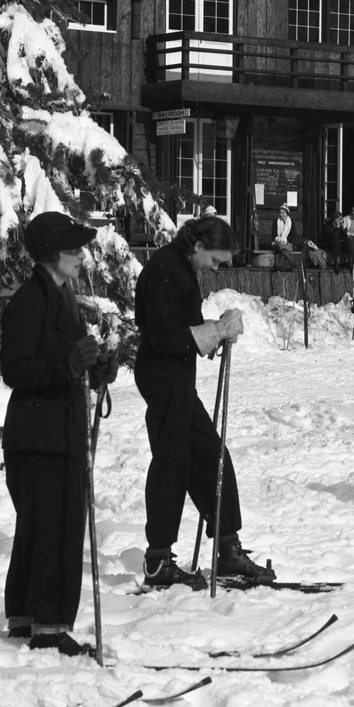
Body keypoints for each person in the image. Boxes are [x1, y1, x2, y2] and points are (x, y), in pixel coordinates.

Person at [133, 215, 274, 587]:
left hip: (177, 377)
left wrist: (215, 333)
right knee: (172, 462)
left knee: (211, 456)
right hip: (162, 377)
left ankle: (227, 548)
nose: (215, 267)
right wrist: (213, 331)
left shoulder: (180, 267)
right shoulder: (163, 269)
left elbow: (182, 329)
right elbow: (163, 336)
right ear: (197, 245)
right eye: (214, 259)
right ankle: (158, 559)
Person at [0, 212, 104, 657]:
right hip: (39, 436)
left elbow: (67, 357)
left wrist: (97, 368)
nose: (81, 256)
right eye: (73, 249)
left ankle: (27, 614)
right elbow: (15, 370)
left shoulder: (62, 295)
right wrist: (68, 367)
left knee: (44, 527)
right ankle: (48, 624)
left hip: (56, 431)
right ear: (50, 255)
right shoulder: (29, 301)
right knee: (52, 529)